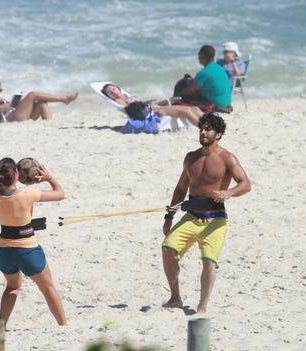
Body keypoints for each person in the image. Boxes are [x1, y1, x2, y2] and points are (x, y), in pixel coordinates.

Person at [161, 112, 251, 314]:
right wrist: (169, 216)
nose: (203, 132)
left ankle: (202, 306)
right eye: (201, 128)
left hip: (215, 220)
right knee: (168, 249)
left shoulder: (227, 158)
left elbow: (246, 184)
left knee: (209, 261)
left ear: (218, 134)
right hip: (191, 216)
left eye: (208, 129)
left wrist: (229, 192)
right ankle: (175, 298)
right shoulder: (191, 158)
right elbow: (180, 189)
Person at [0, 158, 67, 326]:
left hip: (4, 251)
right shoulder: (27, 194)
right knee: (48, 288)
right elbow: (60, 194)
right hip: (27, 250)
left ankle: (1, 325)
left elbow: (2, 191)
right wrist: (49, 178)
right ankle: (64, 326)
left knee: (12, 287)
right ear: (16, 175)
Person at [0, 76, 78, 123]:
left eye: (0, 90)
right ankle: (64, 99)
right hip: (10, 118)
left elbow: (9, 106)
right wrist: (3, 106)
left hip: (16, 113)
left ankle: (49, 124)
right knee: (32, 94)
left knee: (42, 103)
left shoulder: (0, 98)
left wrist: (14, 103)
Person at [100, 83, 204, 126]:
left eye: (113, 88)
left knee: (194, 108)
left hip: (151, 108)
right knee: (185, 111)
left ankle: (210, 123)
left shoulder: (126, 96)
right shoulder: (119, 101)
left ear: (118, 88)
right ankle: (205, 129)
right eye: (110, 92)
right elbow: (133, 109)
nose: (113, 91)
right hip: (150, 112)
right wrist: (133, 100)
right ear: (110, 97)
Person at [174, 45, 233, 112]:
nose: (198, 57)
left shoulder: (204, 72)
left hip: (216, 105)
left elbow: (189, 91)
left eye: (199, 54)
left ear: (202, 56)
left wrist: (179, 93)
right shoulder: (219, 68)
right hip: (226, 104)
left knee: (180, 100)